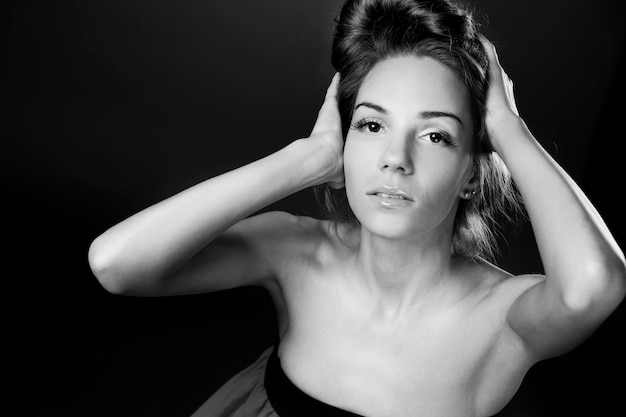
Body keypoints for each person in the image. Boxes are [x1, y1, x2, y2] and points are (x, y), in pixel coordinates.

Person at [88, 0, 625, 416]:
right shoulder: (295, 251)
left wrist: (508, 127)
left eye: (436, 136)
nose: (395, 158)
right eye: (371, 125)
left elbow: (593, 286)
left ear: (470, 173)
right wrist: (307, 158)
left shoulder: (502, 316)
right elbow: (116, 265)